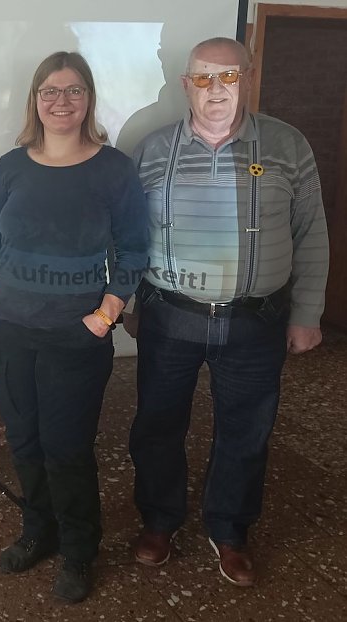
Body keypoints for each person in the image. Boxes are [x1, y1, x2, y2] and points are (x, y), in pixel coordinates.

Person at [126, 37, 329, 587]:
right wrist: (124, 304)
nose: (215, 89)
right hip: (169, 316)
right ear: (186, 83)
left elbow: (311, 236)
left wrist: (307, 313)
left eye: (227, 77)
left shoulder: (288, 145)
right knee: (158, 425)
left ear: (247, 77)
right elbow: (126, 235)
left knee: (245, 431)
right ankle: (160, 521)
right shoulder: (150, 148)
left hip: (255, 321)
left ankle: (230, 530)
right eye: (202, 78)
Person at [0, 51, 148, 603]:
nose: (60, 101)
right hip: (11, 328)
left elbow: (136, 248)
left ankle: (77, 550)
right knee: (24, 442)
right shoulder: (11, 165)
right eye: (50, 91)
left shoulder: (112, 168)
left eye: (72, 91)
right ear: (35, 100)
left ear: (88, 98)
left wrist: (104, 317)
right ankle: (37, 532)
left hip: (77, 336)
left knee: (67, 448)